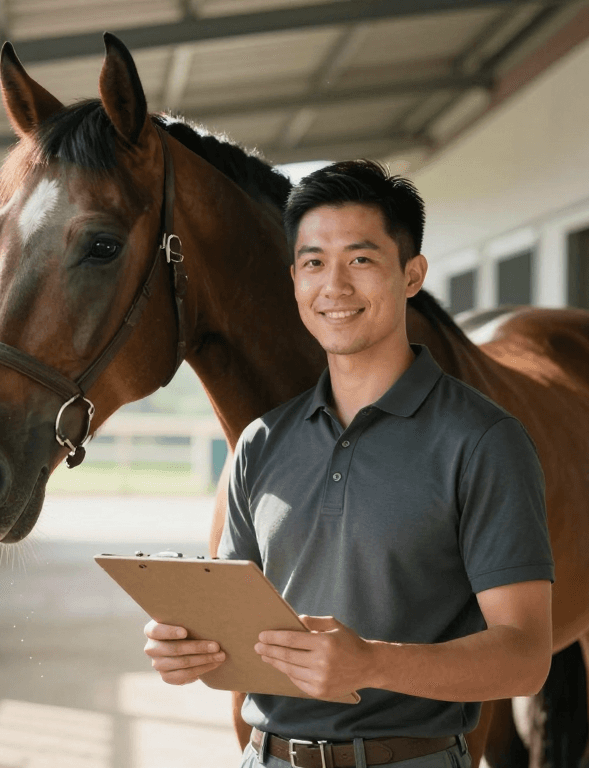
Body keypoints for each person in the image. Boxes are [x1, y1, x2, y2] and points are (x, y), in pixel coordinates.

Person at [143, 160, 555, 768]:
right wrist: (189, 651)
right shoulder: (260, 443)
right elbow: (237, 637)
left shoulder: (484, 441)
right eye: (313, 263)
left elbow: (525, 658)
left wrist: (372, 664)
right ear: (294, 280)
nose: (333, 286)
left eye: (360, 259)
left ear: (411, 275)